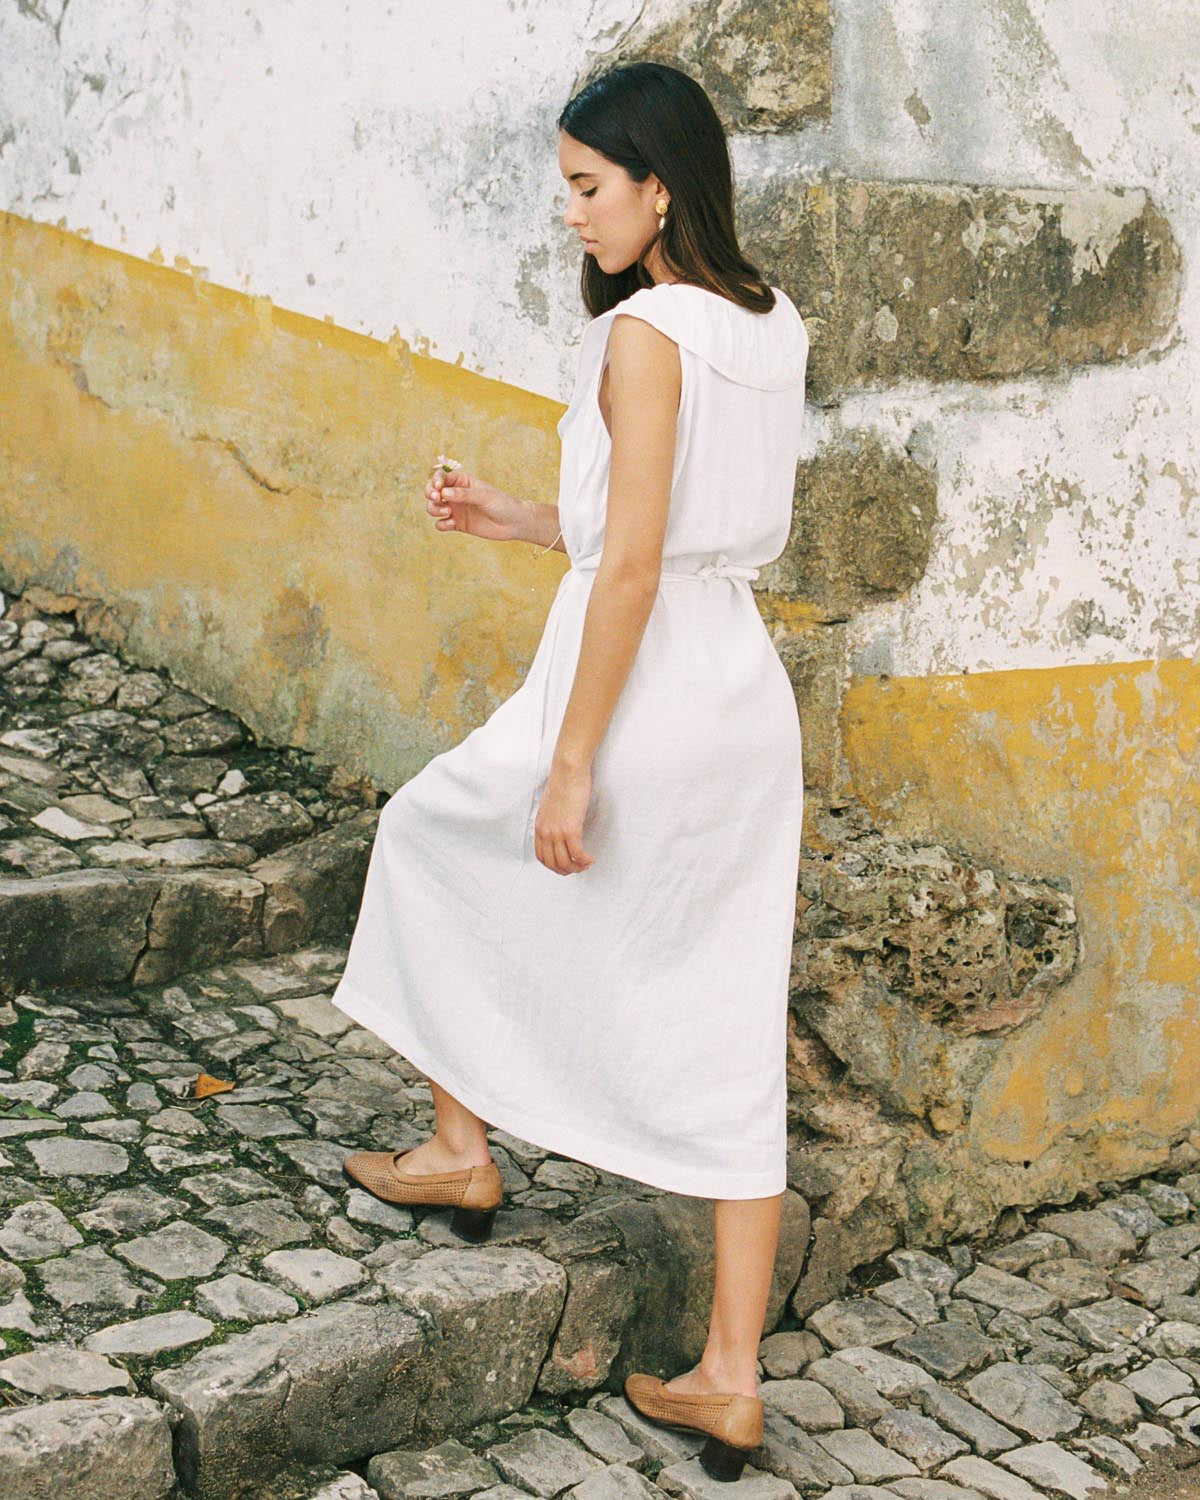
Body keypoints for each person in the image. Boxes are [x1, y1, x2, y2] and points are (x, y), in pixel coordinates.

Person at [330, 60, 809, 1482]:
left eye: (590, 188)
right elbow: (662, 527)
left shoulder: (648, 335)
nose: (573, 214)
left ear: (662, 188)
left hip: (641, 681)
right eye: (567, 188)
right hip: (739, 693)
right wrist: (521, 518)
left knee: (427, 834)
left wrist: (574, 762)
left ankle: (461, 1147)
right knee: (730, 1004)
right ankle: (730, 1374)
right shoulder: (771, 321)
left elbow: (640, 562)